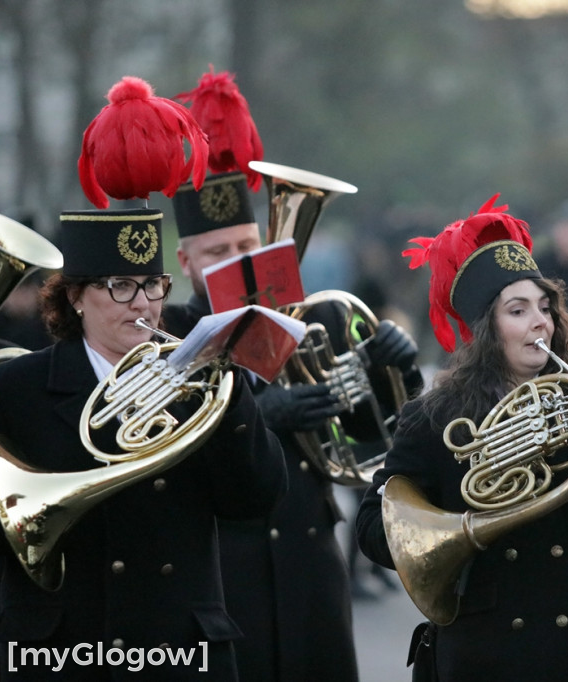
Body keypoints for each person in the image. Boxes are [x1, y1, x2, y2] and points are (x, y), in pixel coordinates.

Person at [355, 195, 568, 682]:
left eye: (545, 307)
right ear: (485, 330)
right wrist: (439, 540)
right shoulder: (436, 416)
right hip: (487, 648)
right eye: (517, 311)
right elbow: (375, 525)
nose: (540, 321)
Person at [0, 207, 287, 679]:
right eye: (120, 286)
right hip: (61, 649)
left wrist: (233, 398)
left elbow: (256, 499)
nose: (142, 305)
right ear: (75, 296)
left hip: (177, 647)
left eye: (153, 285)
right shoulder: (18, 387)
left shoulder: (199, 384)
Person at [166, 172, 420, 681]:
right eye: (217, 252)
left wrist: (391, 370)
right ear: (186, 262)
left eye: (246, 246)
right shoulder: (172, 333)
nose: (236, 261)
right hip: (224, 566)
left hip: (311, 559)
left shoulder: (310, 319)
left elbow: (370, 438)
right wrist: (262, 416)